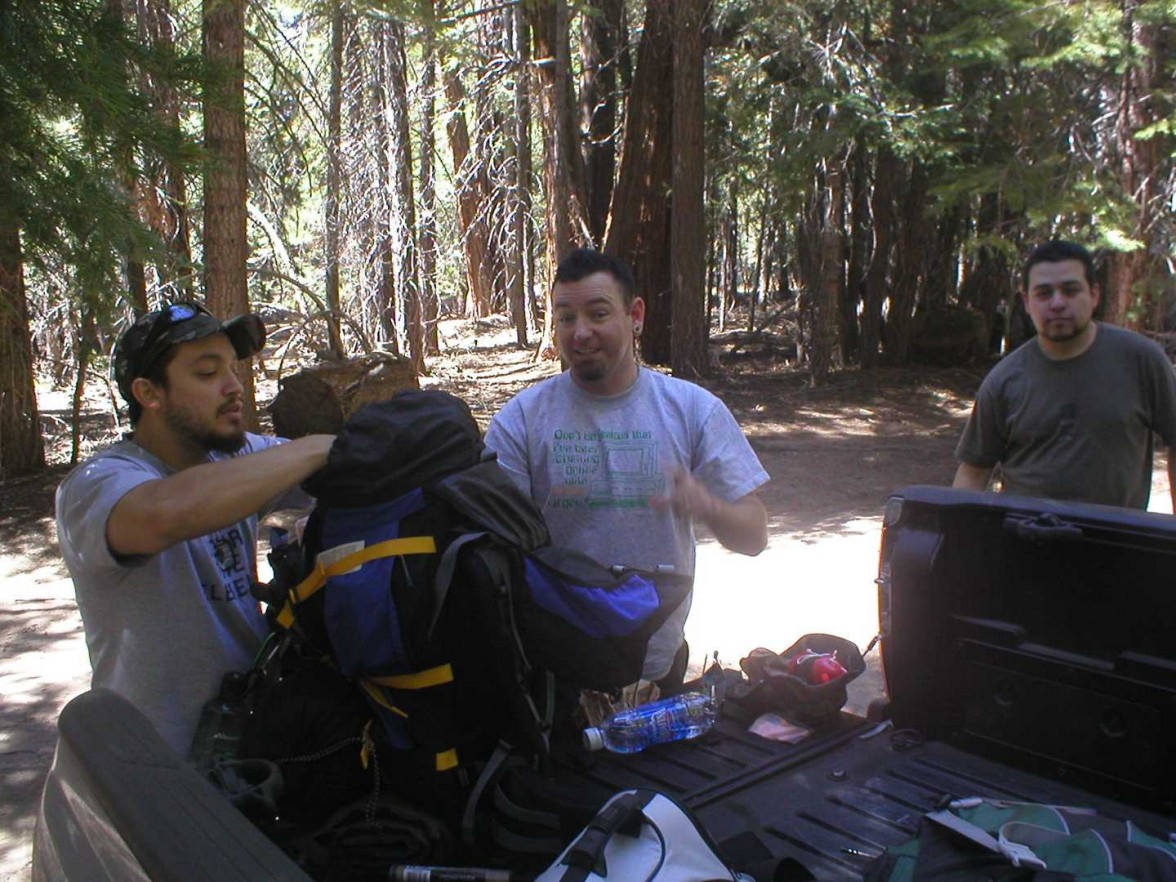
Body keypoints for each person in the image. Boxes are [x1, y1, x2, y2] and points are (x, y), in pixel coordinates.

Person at [56, 302, 334, 755]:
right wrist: (319, 447)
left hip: (253, 735)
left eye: (232, 367)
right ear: (149, 393)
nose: (233, 386)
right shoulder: (96, 485)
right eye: (207, 373)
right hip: (158, 761)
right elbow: (166, 512)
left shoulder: (235, 456)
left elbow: (337, 474)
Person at [485, 248, 769, 690]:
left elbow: (753, 537)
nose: (580, 334)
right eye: (565, 318)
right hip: (555, 671)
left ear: (635, 315)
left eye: (598, 314)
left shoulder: (692, 411)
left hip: (658, 665)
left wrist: (707, 504)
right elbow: (497, 551)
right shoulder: (522, 421)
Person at [954, 240, 1176, 510]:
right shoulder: (1004, 380)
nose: (1057, 303)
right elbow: (974, 471)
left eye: (1070, 291)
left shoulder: (1142, 362)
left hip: (1115, 543)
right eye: (1044, 293)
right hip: (1024, 541)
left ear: (1094, 295)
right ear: (1026, 301)